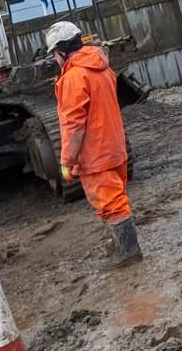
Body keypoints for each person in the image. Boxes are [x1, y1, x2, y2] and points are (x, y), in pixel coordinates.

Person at [47, 21, 140, 267]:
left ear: (61, 51)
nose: (55, 59)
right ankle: (120, 245)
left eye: (54, 54)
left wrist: (67, 161)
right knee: (117, 197)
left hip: (95, 154)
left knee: (111, 204)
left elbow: (73, 125)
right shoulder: (101, 66)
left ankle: (128, 252)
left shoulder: (74, 77)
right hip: (114, 146)